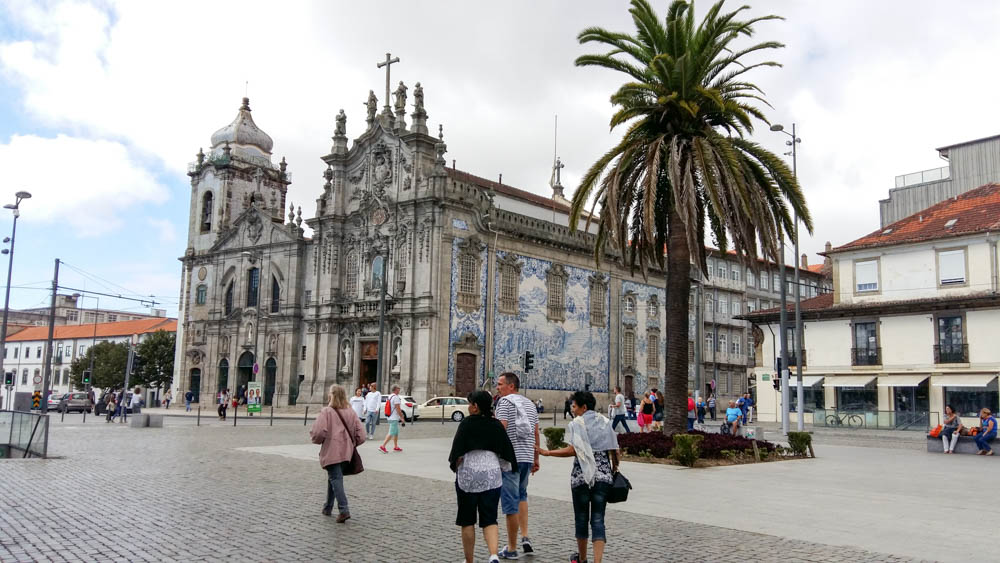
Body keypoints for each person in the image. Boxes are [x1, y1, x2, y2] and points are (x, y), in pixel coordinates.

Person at [537, 391, 619, 563]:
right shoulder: (605, 422)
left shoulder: (577, 423)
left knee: (581, 518)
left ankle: (582, 559)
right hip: (603, 477)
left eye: (574, 406)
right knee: (598, 519)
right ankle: (598, 561)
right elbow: (615, 450)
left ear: (584, 407)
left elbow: (574, 450)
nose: (572, 410)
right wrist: (614, 467)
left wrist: (548, 452)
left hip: (581, 477)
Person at [449, 390, 516, 563]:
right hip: (491, 475)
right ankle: (493, 554)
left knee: (467, 519)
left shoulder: (467, 423)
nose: (469, 406)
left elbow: (457, 452)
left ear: (476, 407)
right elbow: (506, 452)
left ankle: (469, 560)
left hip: (469, 475)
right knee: (490, 518)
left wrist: (456, 465)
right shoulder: (495, 425)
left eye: (470, 403)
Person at [495, 372, 540, 560]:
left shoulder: (504, 403)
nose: (497, 387)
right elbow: (536, 432)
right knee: (522, 495)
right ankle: (524, 536)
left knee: (510, 502)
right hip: (527, 457)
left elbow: (501, 428)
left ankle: (511, 548)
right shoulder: (530, 404)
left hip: (510, 460)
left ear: (511, 386)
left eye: (500, 384)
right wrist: (536, 458)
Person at [309, 384, 366, 523]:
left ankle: (344, 509)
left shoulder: (327, 412)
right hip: (346, 452)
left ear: (332, 395)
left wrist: (317, 440)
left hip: (332, 450)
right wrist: (351, 444)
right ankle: (328, 507)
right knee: (334, 477)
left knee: (335, 478)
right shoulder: (351, 411)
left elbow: (318, 432)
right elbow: (362, 434)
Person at [379, 385, 405, 453]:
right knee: (391, 432)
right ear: (396, 389)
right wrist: (402, 417)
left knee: (395, 432)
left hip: (390, 416)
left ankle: (396, 447)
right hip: (394, 417)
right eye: (398, 389)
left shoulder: (390, 396)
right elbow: (398, 409)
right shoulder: (396, 397)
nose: (399, 390)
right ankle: (382, 446)